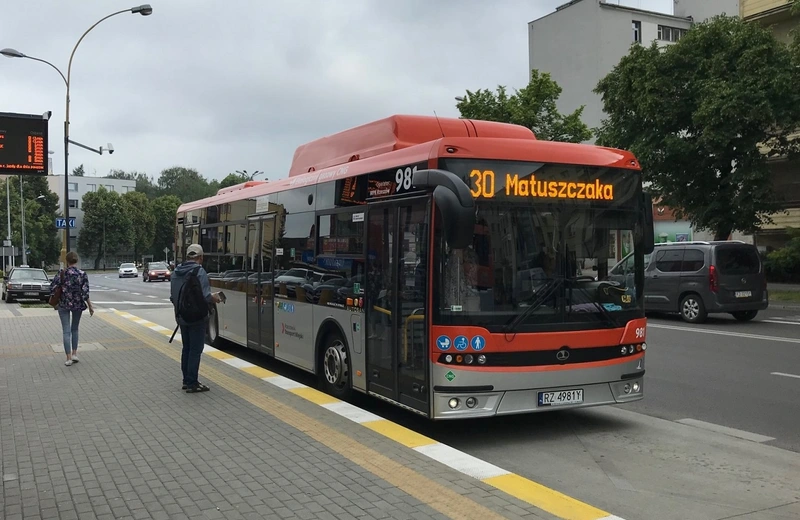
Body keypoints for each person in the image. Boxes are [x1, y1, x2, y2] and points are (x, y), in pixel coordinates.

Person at [170, 244, 220, 393]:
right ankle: (192, 383)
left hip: (181, 317)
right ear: (201, 257)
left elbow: (172, 297)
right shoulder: (200, 271)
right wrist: (215, 298)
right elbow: (205, 296)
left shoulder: (176, 272)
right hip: (197, 317)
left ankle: (186, 380)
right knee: (195, 350)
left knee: (186, 348)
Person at [50, 251, 94, 366]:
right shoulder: (82, 274)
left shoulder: (62, 273)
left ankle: (68, 358)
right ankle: (75, 354)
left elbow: (53, 287)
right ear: (76, 261)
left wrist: (56, 301)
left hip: (63, 305)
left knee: (66, 331)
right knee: (75, 329)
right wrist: (90, 305)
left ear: (67, 261)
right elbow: (85, 292)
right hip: (78, 304)